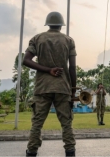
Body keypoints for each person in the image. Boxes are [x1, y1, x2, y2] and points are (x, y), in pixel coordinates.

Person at [23, 11, 77, 157]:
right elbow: (72, 68)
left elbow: (26, 60)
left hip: (42, 87)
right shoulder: (68, 40)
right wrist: (73, 91)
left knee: (37, 124)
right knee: (66, 124)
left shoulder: (37, 38)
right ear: (61, 25)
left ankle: (32, 152)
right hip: (63, 87)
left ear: (48, 23)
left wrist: (47, 70)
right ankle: (70, 152)